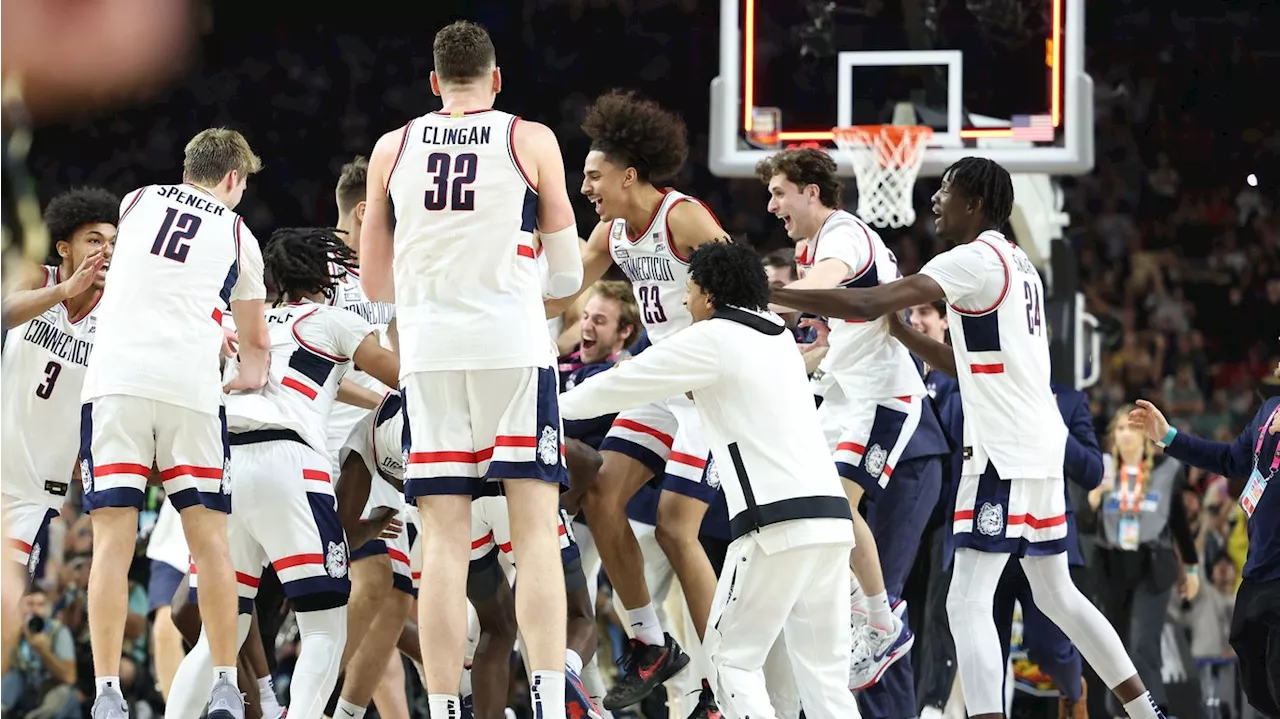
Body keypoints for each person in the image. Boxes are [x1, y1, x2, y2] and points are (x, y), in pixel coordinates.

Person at [771, 156, 1168, 719]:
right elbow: (966, 363)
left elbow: (865, 301)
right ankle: (1145, 710)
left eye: (946, 191)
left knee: (966, 600)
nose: (934, 200)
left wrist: (776, 293)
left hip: (1001, 453)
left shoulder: (971, 259)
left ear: (975, 204)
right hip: (1039, 445)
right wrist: (905, 334)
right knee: (1058, 596)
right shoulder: (1018, 264)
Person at [359, 20, 583, 719]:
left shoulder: (391, 147)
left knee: (446, 543)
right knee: (535, 532)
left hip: (430, 356)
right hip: (513, 347)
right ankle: (547, 700)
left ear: (433, 83)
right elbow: (571, 272)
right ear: (495, 79)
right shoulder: (531, 137)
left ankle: (445, 706)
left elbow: (373, 285)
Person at [559, 241, 860, 719]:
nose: (683, 301)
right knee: (825, 681)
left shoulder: (713, 338)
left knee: (729, 663)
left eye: (690, 290)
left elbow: (614, 387)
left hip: (774, 524)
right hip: (831, 523)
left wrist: (542, 412)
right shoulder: (779, 339)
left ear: (710, 294)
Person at [167, 227, 400, 719]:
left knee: (216, 636)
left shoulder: (243, 324)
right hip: (290, 462)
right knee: (324, 628)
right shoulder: (333, 319)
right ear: (325, 272)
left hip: (224, 464)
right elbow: (401, 378)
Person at [79, 128, 271, 719]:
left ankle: (107, 694)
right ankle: (222, 686)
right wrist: (239, 371)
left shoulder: (134, 201)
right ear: (234, 180)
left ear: (187, 166)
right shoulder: (241, 236)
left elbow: (152, 281)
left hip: (115, 382)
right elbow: (257, 355)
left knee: (111, 544)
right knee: (210, 543)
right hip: (188, 389)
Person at [548, 89, 730, 710]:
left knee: (679, 534)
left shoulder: (683, 217)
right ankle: (652, 644)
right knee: (601, 496)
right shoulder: (613, 230)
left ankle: (720, 684)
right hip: (660, 385)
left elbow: (740, 291)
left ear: (629, 174)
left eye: (594, 176)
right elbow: (562, 287)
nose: (585, 187)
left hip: (707, 389)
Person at [758, 148, 948, 712]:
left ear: (811, 192)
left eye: (779, 193)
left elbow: (821, 287)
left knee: (837, 508)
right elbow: (825, 326)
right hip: (843, 391)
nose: (772, 205)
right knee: (808, 507)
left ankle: (882, 625)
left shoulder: (842, 236)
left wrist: (757, 295)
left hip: (882, 397)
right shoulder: (809, 243)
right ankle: (856, 610)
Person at [322, 155, 410, 719]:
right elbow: (310, 364)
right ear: (363, 211)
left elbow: (400, 354)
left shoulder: (388, 269)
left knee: (397, 593)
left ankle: (341, 707)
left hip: (377, 444)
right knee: (372, 579)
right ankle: (316, 697)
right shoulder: (316, 268)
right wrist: (385, 397)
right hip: (323, 442)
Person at [1127, 395, 1280, 715]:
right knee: (1257, 684)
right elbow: (1230, 459)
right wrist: (1169, 437)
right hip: (1258, 572)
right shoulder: (1270, 408)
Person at [1, 188, 117, 580]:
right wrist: (64, 292)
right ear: (65, 247)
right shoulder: (37, 276)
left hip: (35, 484)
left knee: (10, 593)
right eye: (95, 240)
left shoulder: (118, 313)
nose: (107, 251)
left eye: (114, 243)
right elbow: (6, 312)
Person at [1087, 405, 1200, 715]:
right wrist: (1093, 500)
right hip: (1112, 566)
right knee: (1117, 647)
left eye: (1132, 428)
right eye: (1120, 429)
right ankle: (1120, 709)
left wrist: (1190, 567)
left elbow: (1177, 520)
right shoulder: (1103, 470)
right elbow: (1083, 523)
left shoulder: (1165, 471)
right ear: (1112, 436)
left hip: (1154, 566)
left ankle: (1156, 708)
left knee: (1142, 643)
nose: (1126, 434)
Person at [1, 588, 78, 717]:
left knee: (65, 694)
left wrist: (43, 651)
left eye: (41, 605)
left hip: (49, 690)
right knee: (12, 677)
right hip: (23, 690)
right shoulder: (10, 631)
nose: (35, 610)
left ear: (47, 608)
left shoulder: (58, 631)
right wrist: (12, 640)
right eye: (30, 604)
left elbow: (69, 678)